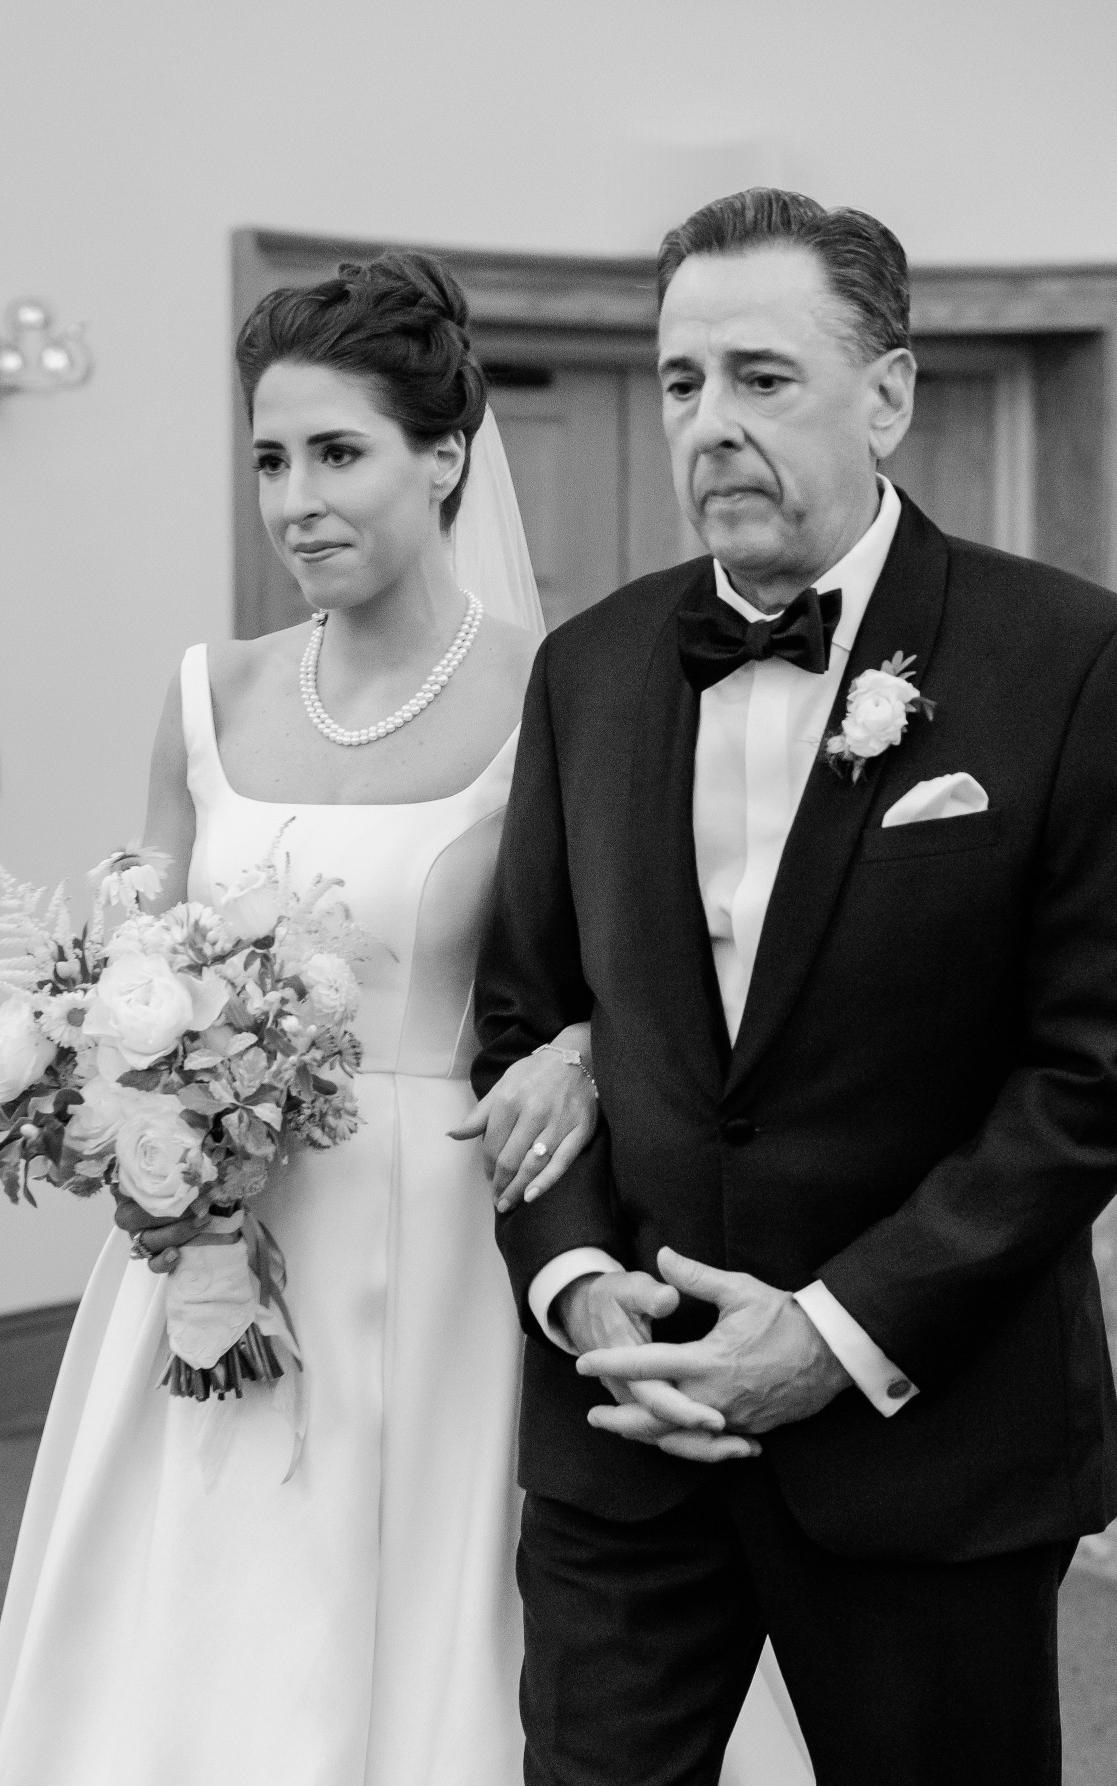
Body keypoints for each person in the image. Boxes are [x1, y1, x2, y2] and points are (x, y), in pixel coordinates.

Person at [472, 188, 1117, 1786]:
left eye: (764, 377)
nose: (710, 422)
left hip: (927, 1437)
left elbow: (1089, 1069)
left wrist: (834, 1331)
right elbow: (522, 1019)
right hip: (629, 1443)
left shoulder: (1071, 660)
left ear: (886, 395)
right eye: (684, 381)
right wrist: (577, 1289)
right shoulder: (593, 668)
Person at [0, 252, 598, 1786]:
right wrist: (115, 1078)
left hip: (440, 1238)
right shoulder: (210, 694)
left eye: (338, 451)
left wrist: (583, 1049)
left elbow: (630, 968)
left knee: (419, 1624)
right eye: (269, 456)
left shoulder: (557, 692)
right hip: (211, 1229)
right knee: (202, 1601)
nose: (295, 496)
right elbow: (134, 956)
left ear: (445, 456)